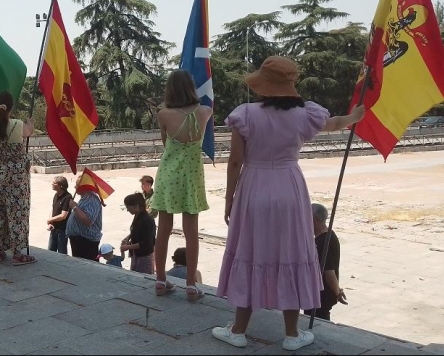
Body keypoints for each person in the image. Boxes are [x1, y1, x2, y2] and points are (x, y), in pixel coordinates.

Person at [212, 56, 365, 351]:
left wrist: (229, 199)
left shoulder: (245, 114)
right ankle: (292, 335)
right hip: (290, 187)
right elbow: (333, 124)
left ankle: (239, 330)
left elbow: (234, 162)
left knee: (251, 252)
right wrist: (354, 116)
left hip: (253, 187)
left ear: (263, 86)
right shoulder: (304, 114)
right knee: (291, 254)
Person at [150, 70, 212, 299]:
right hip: (191, 176)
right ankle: (191, 285)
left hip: (168, 174)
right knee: (191, 232)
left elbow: (167, 144)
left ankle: (160, 280)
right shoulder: (205, 111)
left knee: (163, 230)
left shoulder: (164, 114)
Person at [0, 90, 36, 265]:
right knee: (17, 214)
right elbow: (29, 132)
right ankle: (18, 253)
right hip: (17, 180)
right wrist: (30, 123)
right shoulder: (17, 124)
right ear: (10, 108)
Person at [304, 203, 346, 321]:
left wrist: (337, 292)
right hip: (315, 292)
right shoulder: (324, 237)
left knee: (318, 321)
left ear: (316, 219)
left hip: (321, 294)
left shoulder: (325, 242)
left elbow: (329, 272)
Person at [66, 174, 104, 261]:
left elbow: (88, 220)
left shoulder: (91, 199)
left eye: (77, 185)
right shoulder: (85, 198)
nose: (75, 187)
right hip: (78, 240)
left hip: (86, 241)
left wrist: (75, 207)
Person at [120, 193, 156, 274]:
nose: (128, 210)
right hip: (136, 253)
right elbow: (136, 230)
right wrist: (128, 237)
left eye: (128, 208)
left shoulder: (147, 220)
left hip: (144, 255)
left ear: (136, 206)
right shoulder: (137, 215)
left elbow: (146, 243)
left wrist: (128, 247)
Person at [46, 176, 72, 255]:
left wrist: (50, 220)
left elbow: (63, 215)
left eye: (54, 183)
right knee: (50, 251)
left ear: (60, 186)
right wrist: (51, 222)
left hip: (62, 230)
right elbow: (53, 210)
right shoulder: (56, 195)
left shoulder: (67, 197)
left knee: (61, 252)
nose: (52, 184)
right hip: (54, 228)